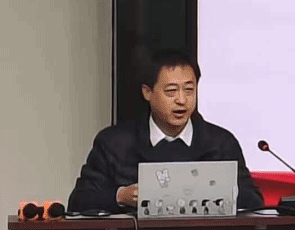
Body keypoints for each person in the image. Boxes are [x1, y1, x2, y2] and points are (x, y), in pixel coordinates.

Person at [68, 48, 264, 214]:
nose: (182, 100)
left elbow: (253, 202)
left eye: (189, 90)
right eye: (171, 91)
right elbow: (79, 201)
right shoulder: (114, 143)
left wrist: (213, 194)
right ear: (147, 92)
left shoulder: (220, 143)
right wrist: (120, 196)